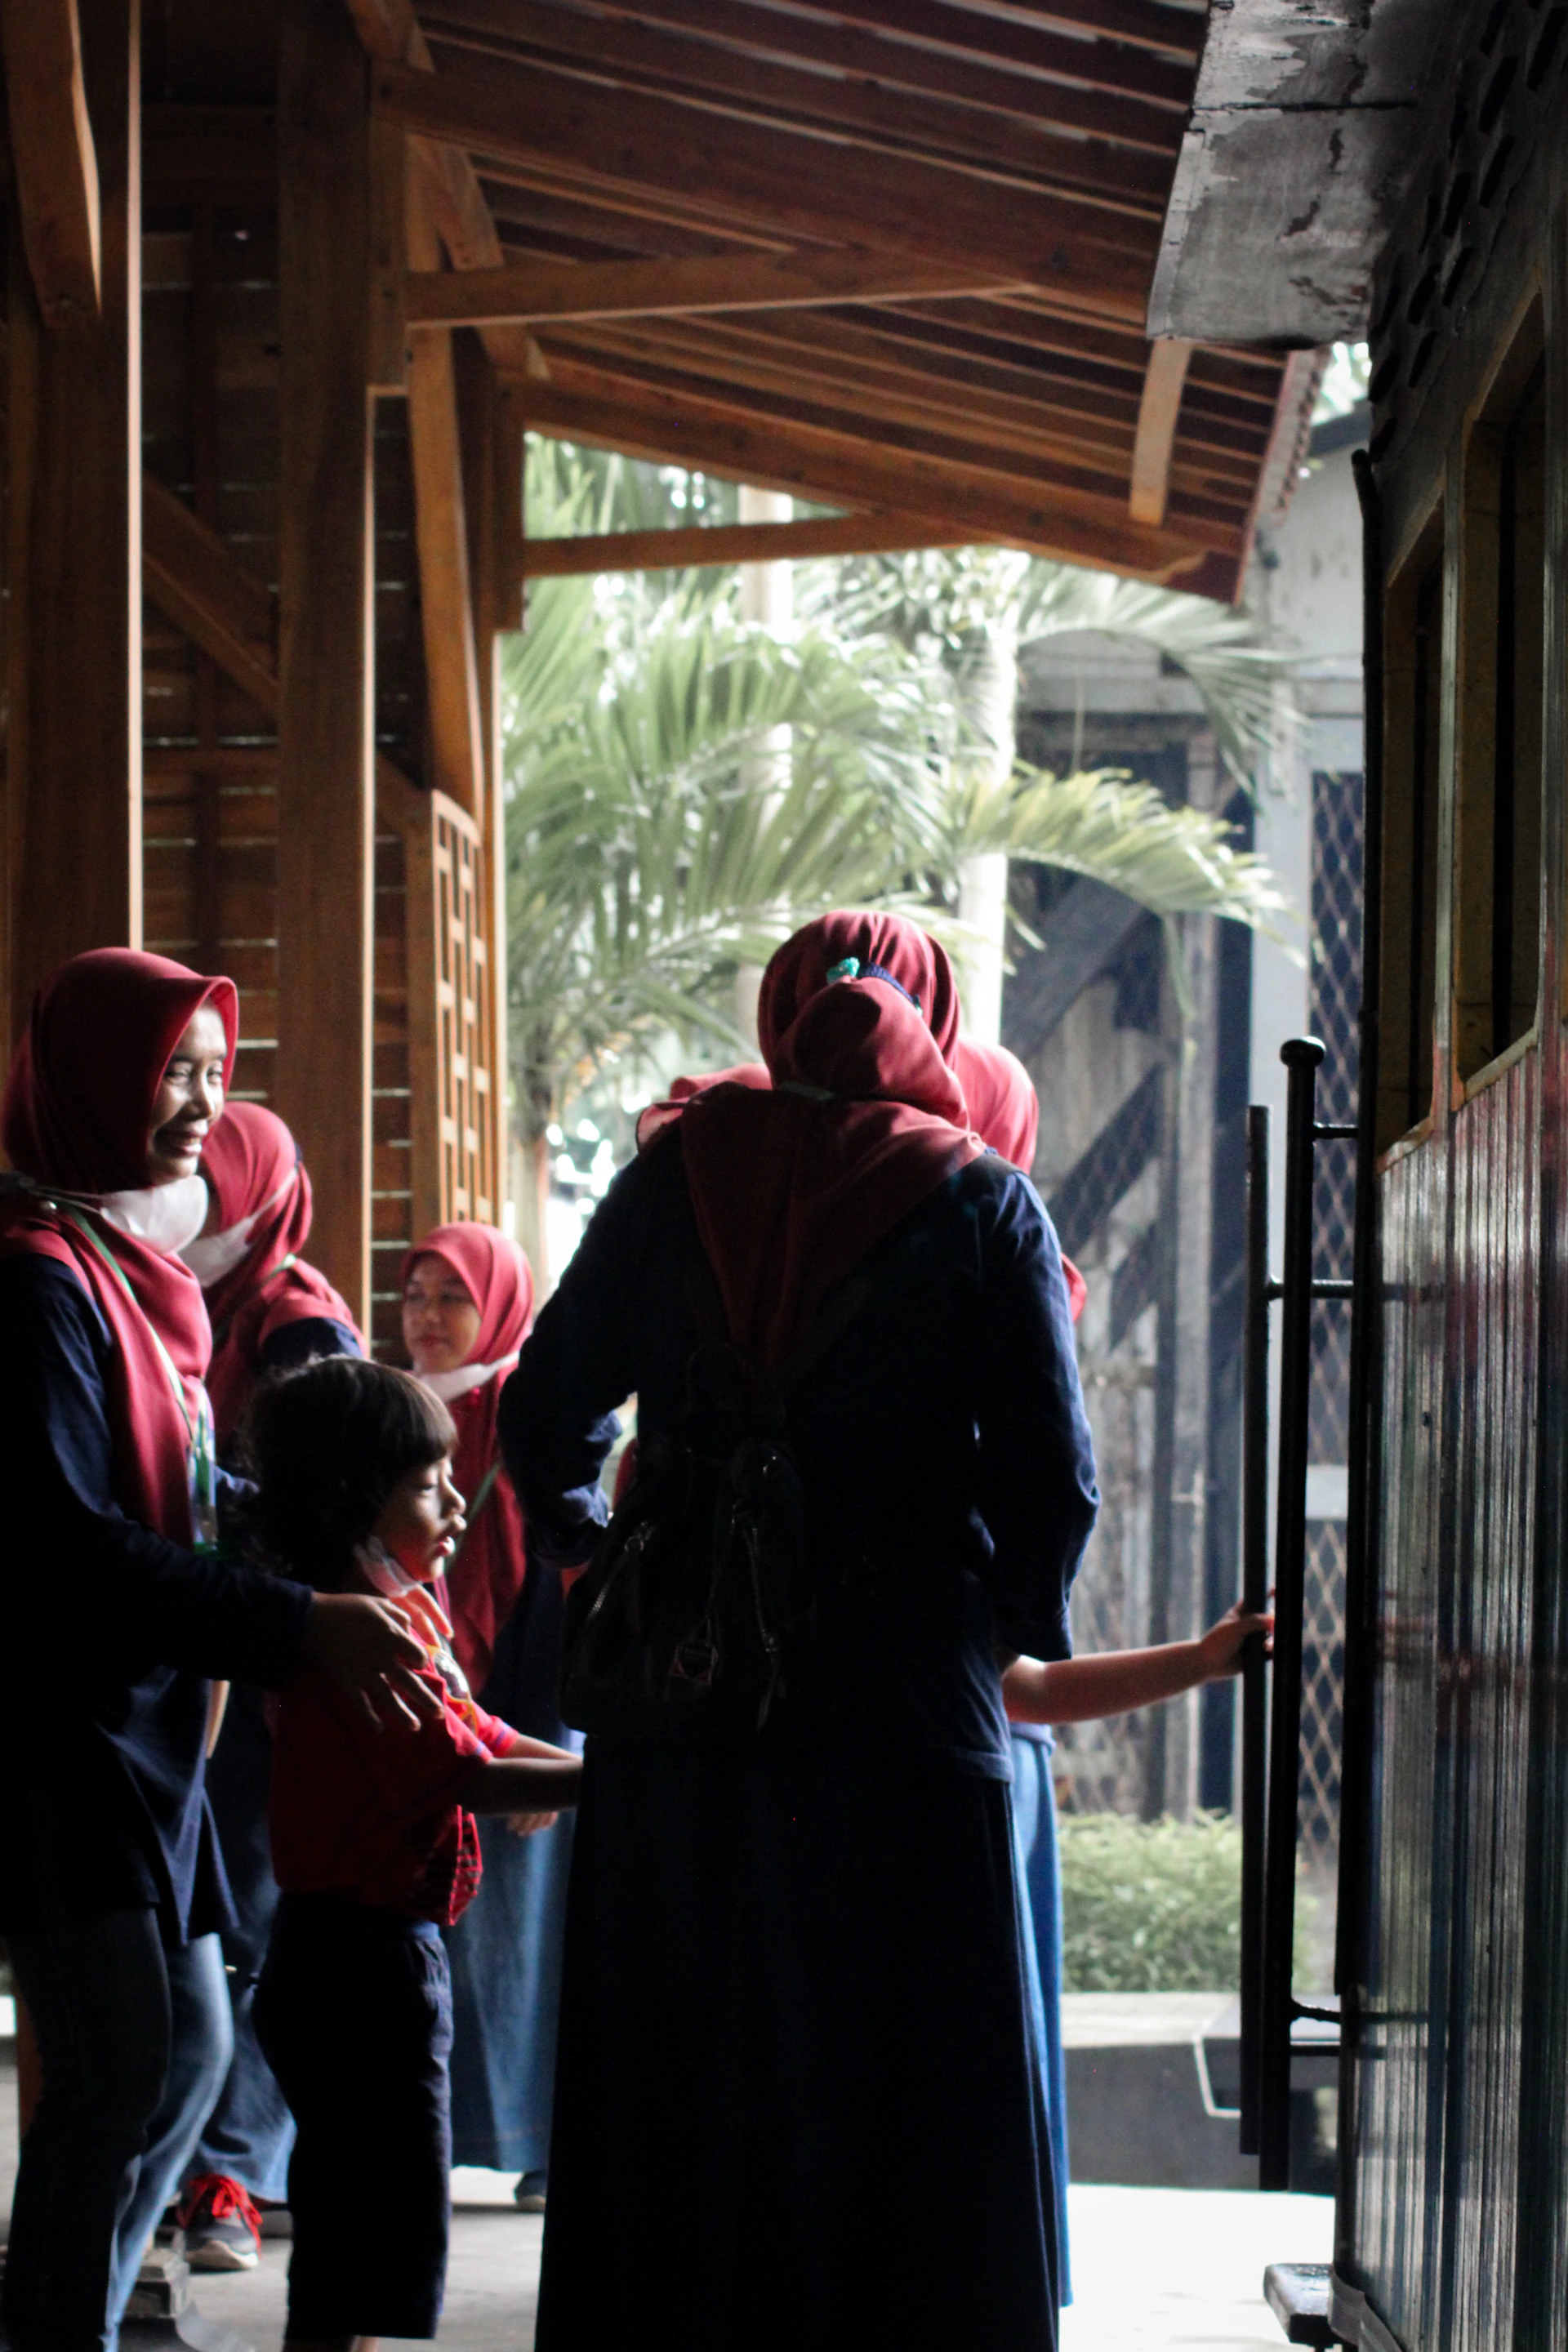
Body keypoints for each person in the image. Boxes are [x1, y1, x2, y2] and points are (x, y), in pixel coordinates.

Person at [504, 910, 1099, 2351]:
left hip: (682, 1718)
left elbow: (539, 1416)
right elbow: (1053, 1477)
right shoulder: (981, 1198)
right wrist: (1001, 1626)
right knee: (906, 2114)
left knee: (685, 2098)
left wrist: (602, 1559)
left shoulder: (672, 1178)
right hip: (902, 1714)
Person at [0, 948, 434, 2352]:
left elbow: (177, 1502)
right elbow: (63, 1547)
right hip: (66, 1739)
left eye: (210, 1074)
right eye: (171, 1072)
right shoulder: (36, 1287)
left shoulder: (127, 1272)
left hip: (149, 1738)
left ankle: (74, 2315)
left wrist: (314, 1558)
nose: (199, 1106)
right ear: (92, 1084)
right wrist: (296, 1623)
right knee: (122, 2061)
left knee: (182, 2057)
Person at [247, 1356, 582, 2351]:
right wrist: (617, 1789)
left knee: (363, 2227)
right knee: (360, 2233)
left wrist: (575, 1760)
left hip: (358, 1957)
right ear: (355, 1500)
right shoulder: (365, 1635)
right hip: (359, 1966)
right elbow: (462, 1772)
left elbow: (476, 1729)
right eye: (429, 1488)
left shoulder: (394, 1608)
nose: (456, 1509)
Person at [175, 1102, 366, 2270]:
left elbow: (315, 1514)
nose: (196, 1208)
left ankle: (233, 2176)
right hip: (232, 1663)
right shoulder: (210, 1312)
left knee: (252, 1920)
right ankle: (231, 2169)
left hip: (275, 1675)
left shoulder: (294, 1327)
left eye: (215, 1188)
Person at [400, 1222, 571, 2208]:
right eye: (414, 1296)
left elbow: (553, 1582)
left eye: (449, 1298)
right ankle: (464, 2139)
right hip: (431, 1715)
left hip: (515, 1716)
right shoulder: (395, 1413)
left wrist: (546, 1735)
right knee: (453, 1944)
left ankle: (546, 2147)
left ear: (496, 1305)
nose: (427, 1318)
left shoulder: (526, 1417)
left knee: (524, 1948)